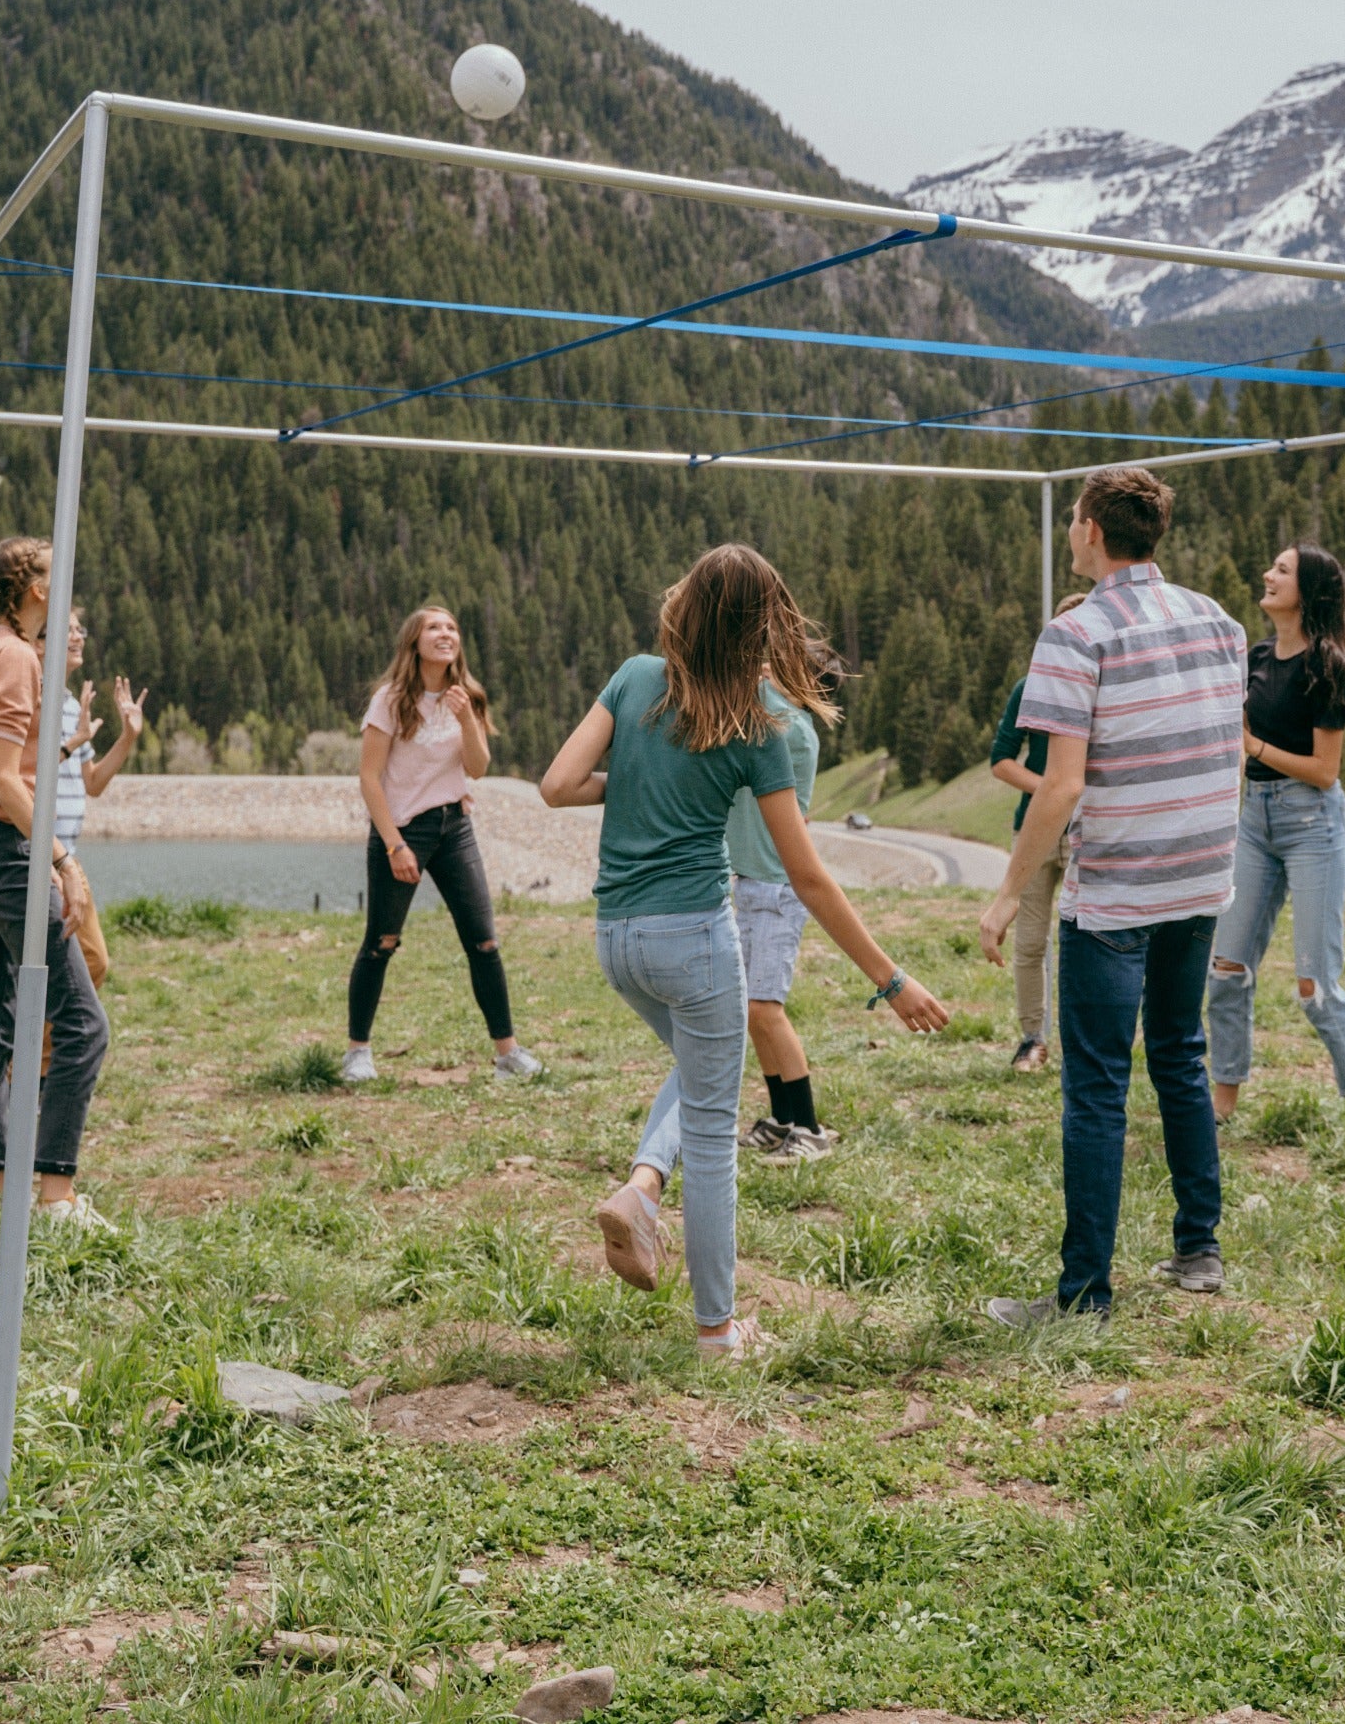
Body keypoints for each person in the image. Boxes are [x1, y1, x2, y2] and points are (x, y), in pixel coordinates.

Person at [542, 544, 948, 1361]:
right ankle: (716, 1332)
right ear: (767, 623)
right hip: (693, 935)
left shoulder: (631, 676)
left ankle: (641, 1186)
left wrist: (642, 778)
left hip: (616, 937)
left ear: (685, 601)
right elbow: (807, 874)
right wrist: (890, 978)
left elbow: (556, 784)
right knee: (714, 1123)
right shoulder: (761, 718)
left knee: (700, 1074)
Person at [976, 468, 1244, 1320]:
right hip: (1200, 876)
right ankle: (1197, 1249)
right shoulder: (1220, 621)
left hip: (1117, 888)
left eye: (1073, 521)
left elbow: (1055, 790)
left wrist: (1005, 894)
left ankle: (1084, 1292)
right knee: (1177, 1053)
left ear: (1089, 527)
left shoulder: (1075, 634)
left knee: (1094, 1084)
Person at [0, 537, 114, 1232]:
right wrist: (62, 861)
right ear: (34, 589)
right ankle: (55, 1198)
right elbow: (7, 779)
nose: (67, 585)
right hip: (6, 846)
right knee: (83, 1022)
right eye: (56, 573)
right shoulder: (14, 655)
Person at [1205, 546, 1345, 1130]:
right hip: (1254, 820)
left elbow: (1325, 770)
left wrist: (1251, 746)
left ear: (1309, 591)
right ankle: (1221, 1105)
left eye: (1281, 570)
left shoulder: (1327, 666)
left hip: (1313, 825)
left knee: (1314, 985)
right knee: (1226, 968)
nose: (1267, 575)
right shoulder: (1254, 657)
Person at [348, 605, 536, 1085]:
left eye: (451, 627)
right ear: (414, 642)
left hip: (455, 828)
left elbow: (478, 768)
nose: (445, 633)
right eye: (434, 627)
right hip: (402, 832)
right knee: (381, 942)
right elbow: (369, 779)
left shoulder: (466, 696)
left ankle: (508, 1055)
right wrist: (394, 845)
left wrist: (467, 719)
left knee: (485, 941)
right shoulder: (390, 701)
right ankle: (358, 1053)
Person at [730, 650, 838, 1163]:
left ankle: (810, 1128)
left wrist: (756, 670)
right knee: (754, 1013)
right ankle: (783, 1119)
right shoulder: (778, 716)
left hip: (778, 890)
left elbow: (751, 702)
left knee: (765, 1009)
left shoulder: (791, 729)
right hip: (752, 882)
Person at [987, 591, 1088, 1076]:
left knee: (1079, 943)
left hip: (1087, 832)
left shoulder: (1102, 690)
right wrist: (1049, 791)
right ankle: (1033, 1039)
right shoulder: (1029, 687)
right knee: (1029, 942)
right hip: (1033, 830)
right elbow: (1001, 760)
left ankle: (1078, 1044)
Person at [52, 606, 147, 989]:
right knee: (72, 967)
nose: (78, 637)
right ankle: (33, 1050)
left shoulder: (71, 705)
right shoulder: (35, 700)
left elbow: (92, 782)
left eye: (80, 630)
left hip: (67, 857)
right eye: (68, 630)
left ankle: (43, 1049)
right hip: (43, 857)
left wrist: (127, 737)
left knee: (92, 963)